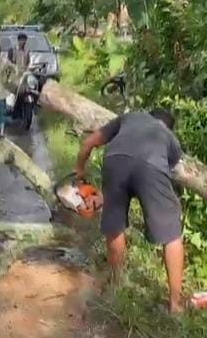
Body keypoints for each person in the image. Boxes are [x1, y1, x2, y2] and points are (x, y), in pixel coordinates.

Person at [74, 108, 184, 314]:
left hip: (114, 160)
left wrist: (79, 170)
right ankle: (175, 305)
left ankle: (117, 285)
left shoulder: (131, 116)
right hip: (152, 166)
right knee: (171, 233)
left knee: (114, 224)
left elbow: (89, 143)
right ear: (167, 127)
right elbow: (153, 173)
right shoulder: (170, 139)